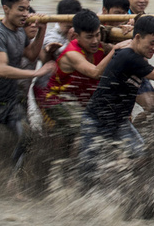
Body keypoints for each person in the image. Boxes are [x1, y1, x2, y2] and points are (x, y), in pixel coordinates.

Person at [78, 16, 154, 189]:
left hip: (120, 122)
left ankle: (118, 184)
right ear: (138, 37)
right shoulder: (129, 57)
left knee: (141, 156)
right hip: (96, 121)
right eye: (152, 43)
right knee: (87, 173)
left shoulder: (133, 53)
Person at [0, 0, 55, 171]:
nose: (25, 14)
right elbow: (1, 69)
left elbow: (31, 55)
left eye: (27, 9)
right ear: (6, 9)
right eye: (21, 9)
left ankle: (13, 179)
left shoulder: (19, 32)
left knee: (27, 136)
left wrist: (42, 30)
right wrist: (36, 73)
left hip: (10, 101)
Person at [37, 9, 128, 155]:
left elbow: (122, 46)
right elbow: (95, 73)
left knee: (68, 140)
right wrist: (114, 50)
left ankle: (61, 159)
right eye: (89, 37)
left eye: (97, 35)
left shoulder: (100, 45)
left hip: (78, 100)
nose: (95, 41)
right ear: (76, 36)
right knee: (86, 129)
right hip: (56, 100)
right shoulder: (72, 53)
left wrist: (127, 29)